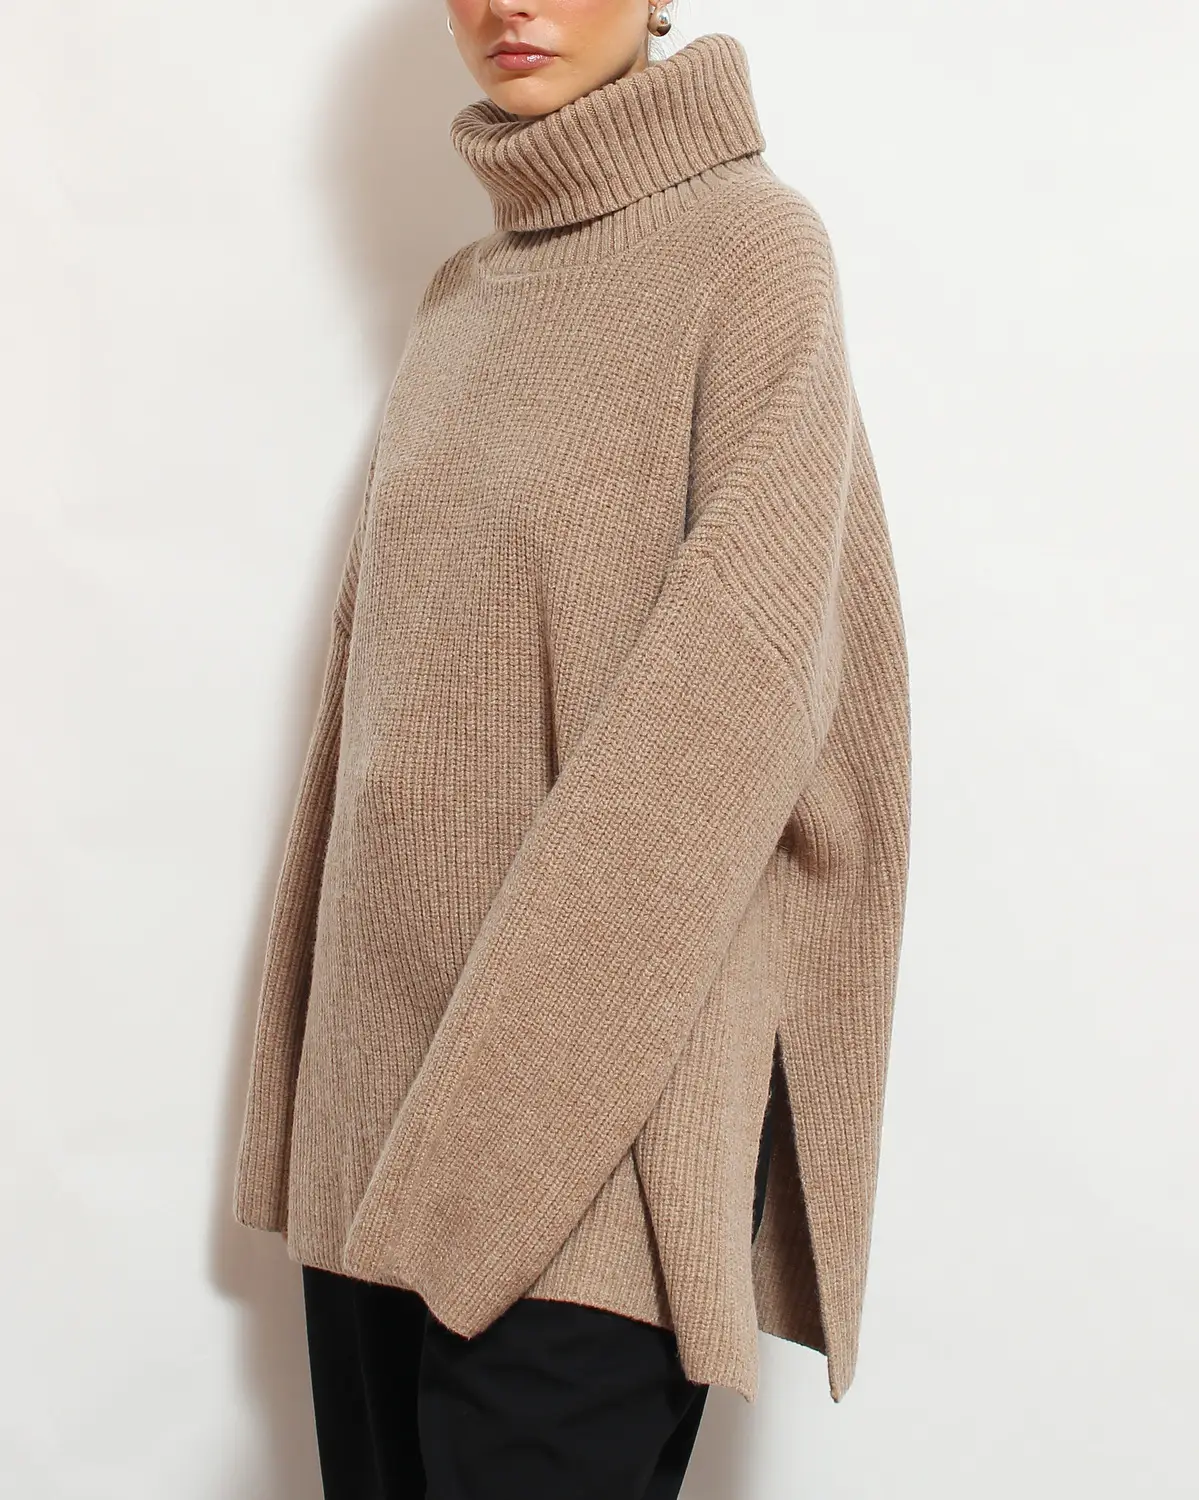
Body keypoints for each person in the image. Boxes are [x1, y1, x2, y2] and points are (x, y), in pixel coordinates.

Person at [232, 6, 910, 1497]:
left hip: (590, 1143)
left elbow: (725, 729)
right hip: (375, 1122)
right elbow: (375, 721)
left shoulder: (753, 257)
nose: (506, 3)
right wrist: (318, 1116)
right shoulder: (462, 294)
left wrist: (496, 1143)